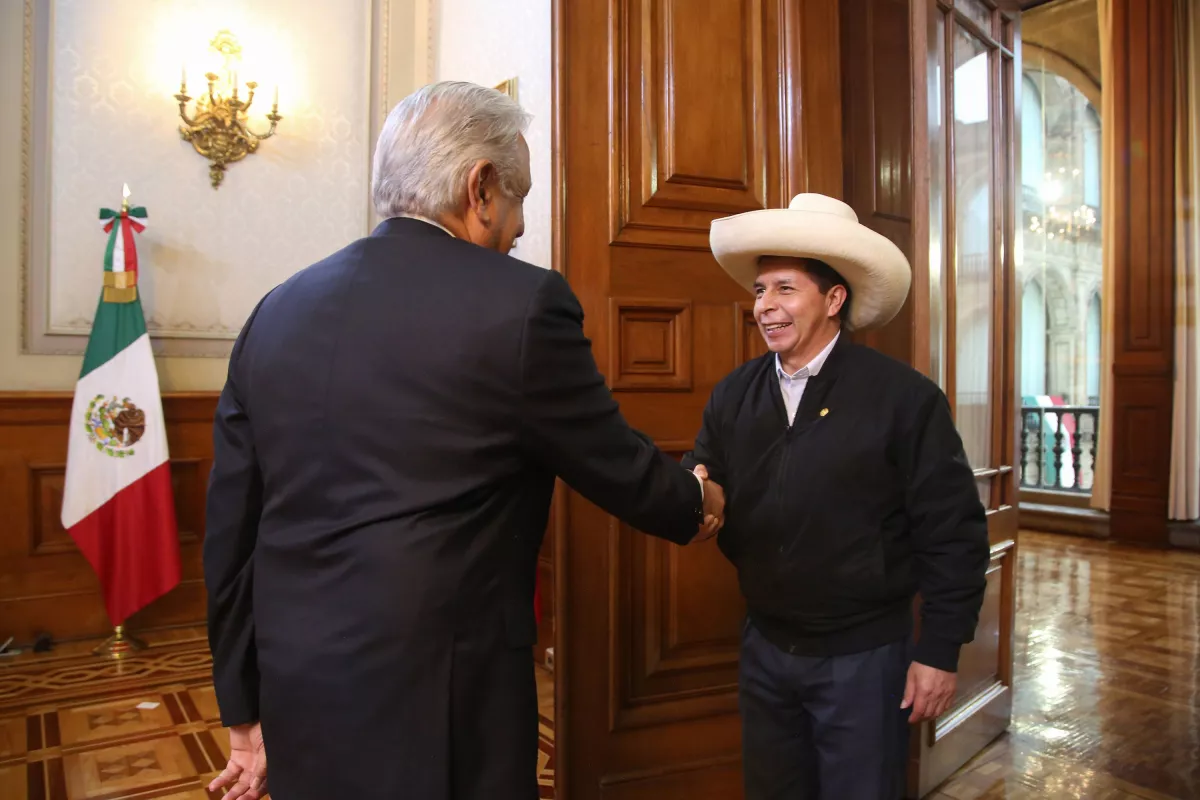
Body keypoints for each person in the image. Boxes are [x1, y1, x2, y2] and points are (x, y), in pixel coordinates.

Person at [202, 81, 724, 800]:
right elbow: (613, 463)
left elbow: (231, 527)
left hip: (297, 677)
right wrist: (694, 501)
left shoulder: (277, 308)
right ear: (480, 188)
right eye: (521, 197)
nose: (520, 226)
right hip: (441, 697)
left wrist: (243, 709)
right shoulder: (520, 302)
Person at [683, 193, 990, 799]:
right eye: (760, 290)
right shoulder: (734, 393)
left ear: (833, 299)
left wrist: (940, 651)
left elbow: (953, 533)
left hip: (865, 659)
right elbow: (707, 475)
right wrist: (693, 493)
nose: (765, 307)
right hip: (765, 648)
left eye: (784, 289)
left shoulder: (905, 399)